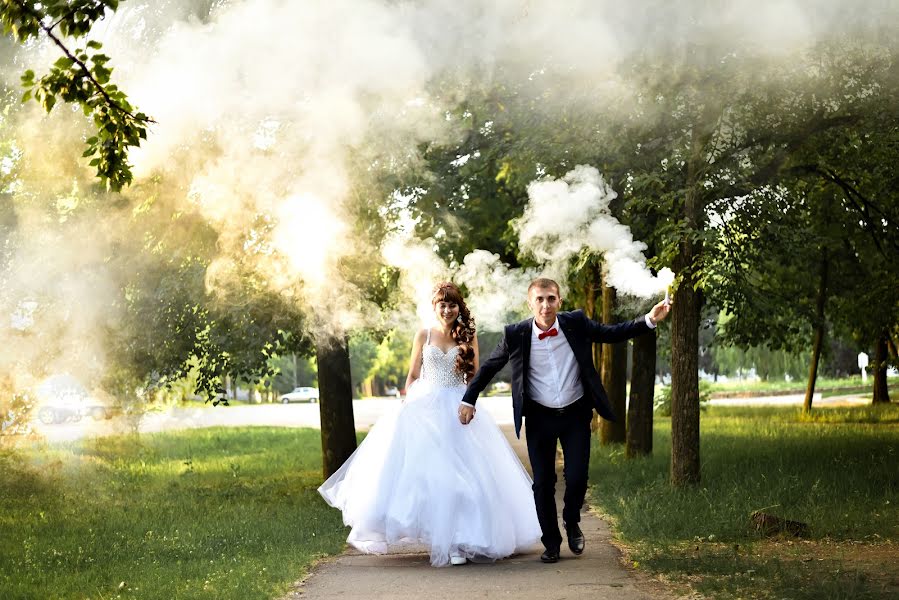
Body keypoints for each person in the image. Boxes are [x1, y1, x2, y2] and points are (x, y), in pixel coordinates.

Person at [318, 282, 542, 567]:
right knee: (429, 478)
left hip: (459, 405)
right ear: (434, 307)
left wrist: (470, 403)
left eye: (452, 305)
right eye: (442, 305)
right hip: (425, 407)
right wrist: (410, 401)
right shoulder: (423, 335)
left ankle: (461, 541)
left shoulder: (468, 336)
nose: (447, 310)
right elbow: (412, 375)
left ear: (459, 308)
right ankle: (442, 538)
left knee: (466, 477)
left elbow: (473, 377)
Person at [459, 277, 670, 563]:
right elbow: (489, 367)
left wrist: (648, 320)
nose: (545, 305)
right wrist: (469, 398)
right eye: (539, 299)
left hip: (575, 414)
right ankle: (552, 543)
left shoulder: (576, 322)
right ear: (530, 303)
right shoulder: (516, 333)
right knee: (543, 483)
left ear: (559, 301)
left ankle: (572, 520)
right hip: (539, 417)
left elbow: (612, 333)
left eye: (550, 299)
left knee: (577, 476)